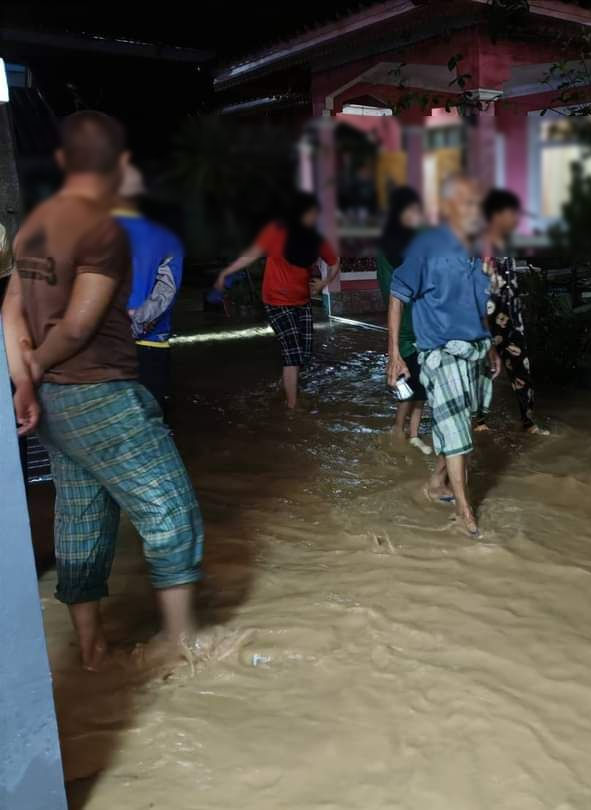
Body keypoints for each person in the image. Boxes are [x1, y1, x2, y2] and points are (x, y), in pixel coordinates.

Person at [3, 111, 203, 670]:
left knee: (81, 519)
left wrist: (25, 381)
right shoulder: (102, 228)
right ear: (118, 164)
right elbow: (78, 326)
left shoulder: (35, 226)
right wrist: (39, 363)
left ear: (63, 160)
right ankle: (179, 645)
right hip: (100, 390)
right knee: (173, 511)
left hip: (54, 403)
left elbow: (10, 311)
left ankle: (92, 652)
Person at [387, 174, 500, 537]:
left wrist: (491, 345)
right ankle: (465, 513)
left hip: (474, 352)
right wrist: (394, 354)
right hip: (440, 353)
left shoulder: (475, 248)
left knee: (462, 426)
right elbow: (397, 295)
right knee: (456, 429)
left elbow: (479, 304)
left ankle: (436, 483)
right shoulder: (426, 246)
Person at [215, 193, 341, 409]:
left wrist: (324, 283)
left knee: (304, 354)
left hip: (302, 302)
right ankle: (293, 408)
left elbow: (334, 261)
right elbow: (251, 254)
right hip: (276, 301)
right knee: (292, 354)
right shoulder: (276, 232)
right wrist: (225, 272)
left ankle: (286, 385)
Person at [112, 163, 184, 419]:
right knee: (151, 417)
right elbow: (167, 288)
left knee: (122, 419)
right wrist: (137, 318)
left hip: (116, 340)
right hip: (145, 339)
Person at [476, 188, 546, 434]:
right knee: (483, 370)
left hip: (513, 321)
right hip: (487, 320)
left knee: (522, 369)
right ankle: (479, 423)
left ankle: (528, 421)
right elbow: (477, 291)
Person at [376, 186, 431, 454]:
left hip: (424, 325)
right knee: (408, 381)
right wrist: (393, 348)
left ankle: (413, 434)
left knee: (422, 385)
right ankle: (398, 430)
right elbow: (392, 298)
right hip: (406, 328)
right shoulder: (387, 247)